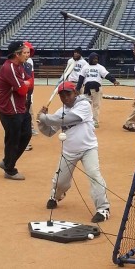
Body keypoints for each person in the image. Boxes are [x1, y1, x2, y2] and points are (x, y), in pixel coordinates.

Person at [37, 81, 110, 223]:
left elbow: (68, 119)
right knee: (60, 182)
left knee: (94, 175)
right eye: (62, 95)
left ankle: (103, 209)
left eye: (68, 94)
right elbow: (50, 132)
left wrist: (46, 118)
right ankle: (56, 195)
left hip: (88, 148)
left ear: (75, 93)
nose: (65, 97)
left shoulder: (83, 105)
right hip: (69, 152)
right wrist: (41, 122)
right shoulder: (60, 111)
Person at [0, 41, 33, 180]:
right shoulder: (10, 68)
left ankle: (7, 161)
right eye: (24, 52)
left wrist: (26, 83)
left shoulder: (19, 66)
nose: (27, 55)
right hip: (11, 111)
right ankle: (10, 169)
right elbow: (23, 89)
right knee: (13, 140)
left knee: (26, 134)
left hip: (20, 108)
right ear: (16, 55)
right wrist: (25, 84)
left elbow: (29, 82)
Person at [76, 52, 120, 128]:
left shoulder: (100, 67)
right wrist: (77, 89)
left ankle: (95, 121)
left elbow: (107, 75)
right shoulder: (85, 67)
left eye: (97, 59)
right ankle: (86, 120)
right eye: (94, 59)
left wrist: (114, 81)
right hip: (87, 90)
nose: (96, 60)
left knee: (96, 105)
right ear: (90, 59)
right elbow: (81, 79)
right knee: (86, 105)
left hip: (97, 89)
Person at [23, 41, 38, 151]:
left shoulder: (29, 62)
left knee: (27, 114)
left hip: (27, 93)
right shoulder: (16, 65)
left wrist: (30, 92)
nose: (28, 54)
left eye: (29, 52)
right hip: (20, 94)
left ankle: (30, 129)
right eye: (26, 52)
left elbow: (31, 77)